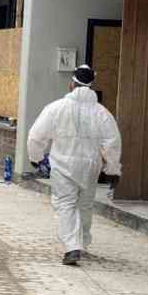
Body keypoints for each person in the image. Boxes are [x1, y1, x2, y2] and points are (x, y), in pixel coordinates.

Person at [27, 65, 121, 266]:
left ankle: (72, 247)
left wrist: (35, 157)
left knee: (66, 204)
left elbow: (36, 136)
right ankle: (83, 243)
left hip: (63, 164)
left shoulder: (55, 108)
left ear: (72, 84)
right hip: (90, 166)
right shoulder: (102, 112)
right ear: (91, 86)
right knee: (85, 205)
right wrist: (113, 169)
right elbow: (112, 142)